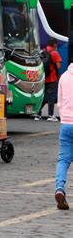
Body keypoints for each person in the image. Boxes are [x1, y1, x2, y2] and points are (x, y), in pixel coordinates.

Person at [54, 63, 73, 210]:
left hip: (66, 123)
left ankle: (59, 188)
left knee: (63, 160)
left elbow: (59, 102)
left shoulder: (64, 76)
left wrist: (63, 117)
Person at [35, 38, 62, 121]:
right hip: (52, 79)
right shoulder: (55, 53)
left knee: (43, 97)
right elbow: (58, 66)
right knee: (51, 97)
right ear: (54, 45)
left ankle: (37, 114)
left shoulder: (43, 52)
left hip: (43, 78)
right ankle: (50, 115)